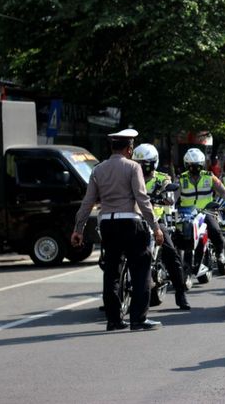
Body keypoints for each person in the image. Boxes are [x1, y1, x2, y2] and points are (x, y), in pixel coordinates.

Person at [71, 129, 164, 331]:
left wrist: (78, 228)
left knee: (112, 272)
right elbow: (142, 198)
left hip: (107, 224)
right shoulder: (133, 167)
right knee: (140, 270)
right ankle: (138, 319)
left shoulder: (98, 169)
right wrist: (156, 226)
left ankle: (113, 320)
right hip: (131, 222)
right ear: (129, 149)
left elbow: (88, 202)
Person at [132, 143, 190, 310]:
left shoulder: (162, 178)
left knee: (172, 253)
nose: (142, 167)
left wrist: (164, 197)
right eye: (139, 163)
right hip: (135, 219)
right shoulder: (130, 176)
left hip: (156, 221)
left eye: (145, 164)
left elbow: (170, 196)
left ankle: (181, 293)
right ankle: (115, 295)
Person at [178, 148, 225, 267]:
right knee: (178, 236)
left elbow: (224, 192)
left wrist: (217, 205)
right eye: (191, 165)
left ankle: (220, 252)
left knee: (215, 230)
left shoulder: (209, 176)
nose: (194, 168)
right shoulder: (181, 178)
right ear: (186, 165)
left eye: (197, 165)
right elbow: (173, 198)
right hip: (187, 215)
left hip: (207, 212)